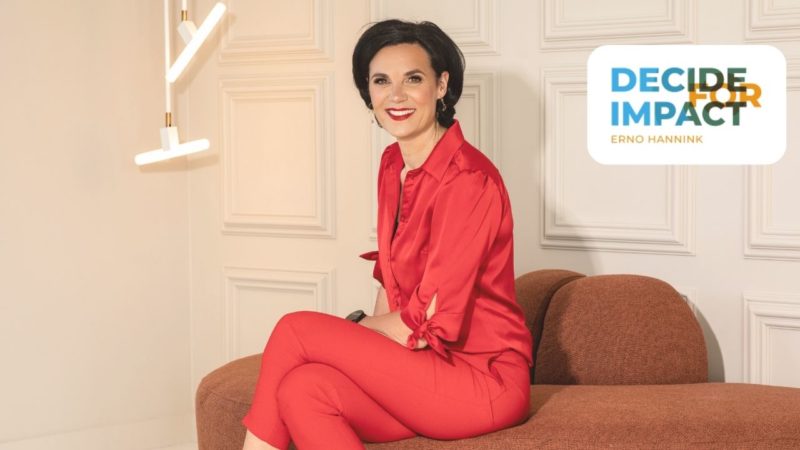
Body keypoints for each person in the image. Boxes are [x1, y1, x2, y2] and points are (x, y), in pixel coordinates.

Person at [241, 19, 533, 450]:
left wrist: (354, 332)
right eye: (381, 81)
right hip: (423, 371)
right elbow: (391, 279)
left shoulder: (469, 180)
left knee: (296, 330)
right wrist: (360, 340)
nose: (396, 95)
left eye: (413, 79)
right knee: (303, 389)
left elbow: (430, 321)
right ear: (369, 91)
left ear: (441, 85)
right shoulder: (393, 164)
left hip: (481, 382)